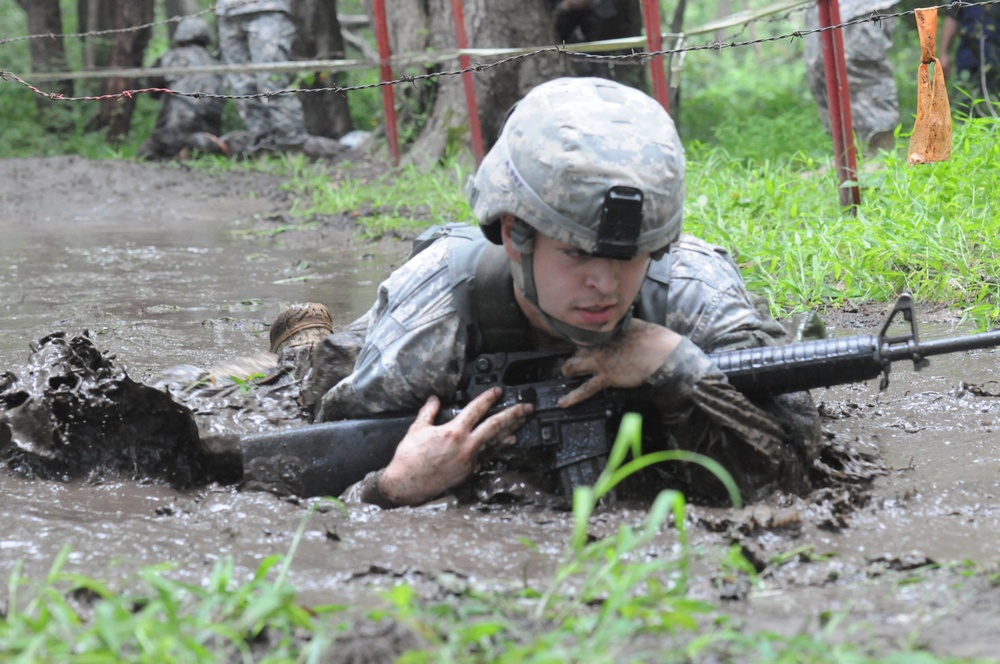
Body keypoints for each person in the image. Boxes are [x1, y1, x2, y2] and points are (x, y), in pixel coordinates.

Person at [274, 77, 821, 509]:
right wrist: (390, 488)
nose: (605, 286)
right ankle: (302, 339)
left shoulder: (696, 295)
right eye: (578, 254)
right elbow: (321, 452)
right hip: (408, 333)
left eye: (629, 257)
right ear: (515, 235)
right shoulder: (434, 319)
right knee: (316, 367)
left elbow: (798, 468)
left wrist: (676, 367)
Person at [215, 0, 344, 159]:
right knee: (242, 86)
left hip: (267, 9)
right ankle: (263, 149)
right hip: (227, 11)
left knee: (272, 82)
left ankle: (293, 146)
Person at [803, 0, 900, 155]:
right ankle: (847, 158)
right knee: (821, 70)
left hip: (861, 6)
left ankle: (881, 154)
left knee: (861, 67)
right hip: (821, 7)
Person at [138, 16, 227, 161]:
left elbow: (152, 91)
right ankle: (188, 154)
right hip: (209, 134)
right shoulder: (215, 64)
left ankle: (177, 155)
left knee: (144, 156)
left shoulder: (170, 58)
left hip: (171, 131)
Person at [940, 5, 1000, 118]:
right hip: (968, 59)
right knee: (964, 109)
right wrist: (944, 53)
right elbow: (952, 16)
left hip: (996, 59)